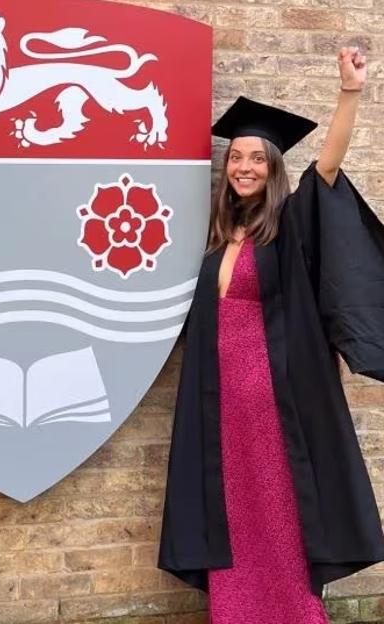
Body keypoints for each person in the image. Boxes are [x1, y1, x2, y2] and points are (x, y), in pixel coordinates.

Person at [158, 47, 384, 623]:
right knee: (230, 506)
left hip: (274, 401)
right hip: (221, 400)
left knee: (283, 506)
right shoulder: (221, 233)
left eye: (258, 158)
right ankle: (237, 612)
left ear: (274, 167)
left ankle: (293, 611)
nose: (245, 167)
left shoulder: (288, 224)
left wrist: (350, 92)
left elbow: (328, 167)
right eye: (236, 157)